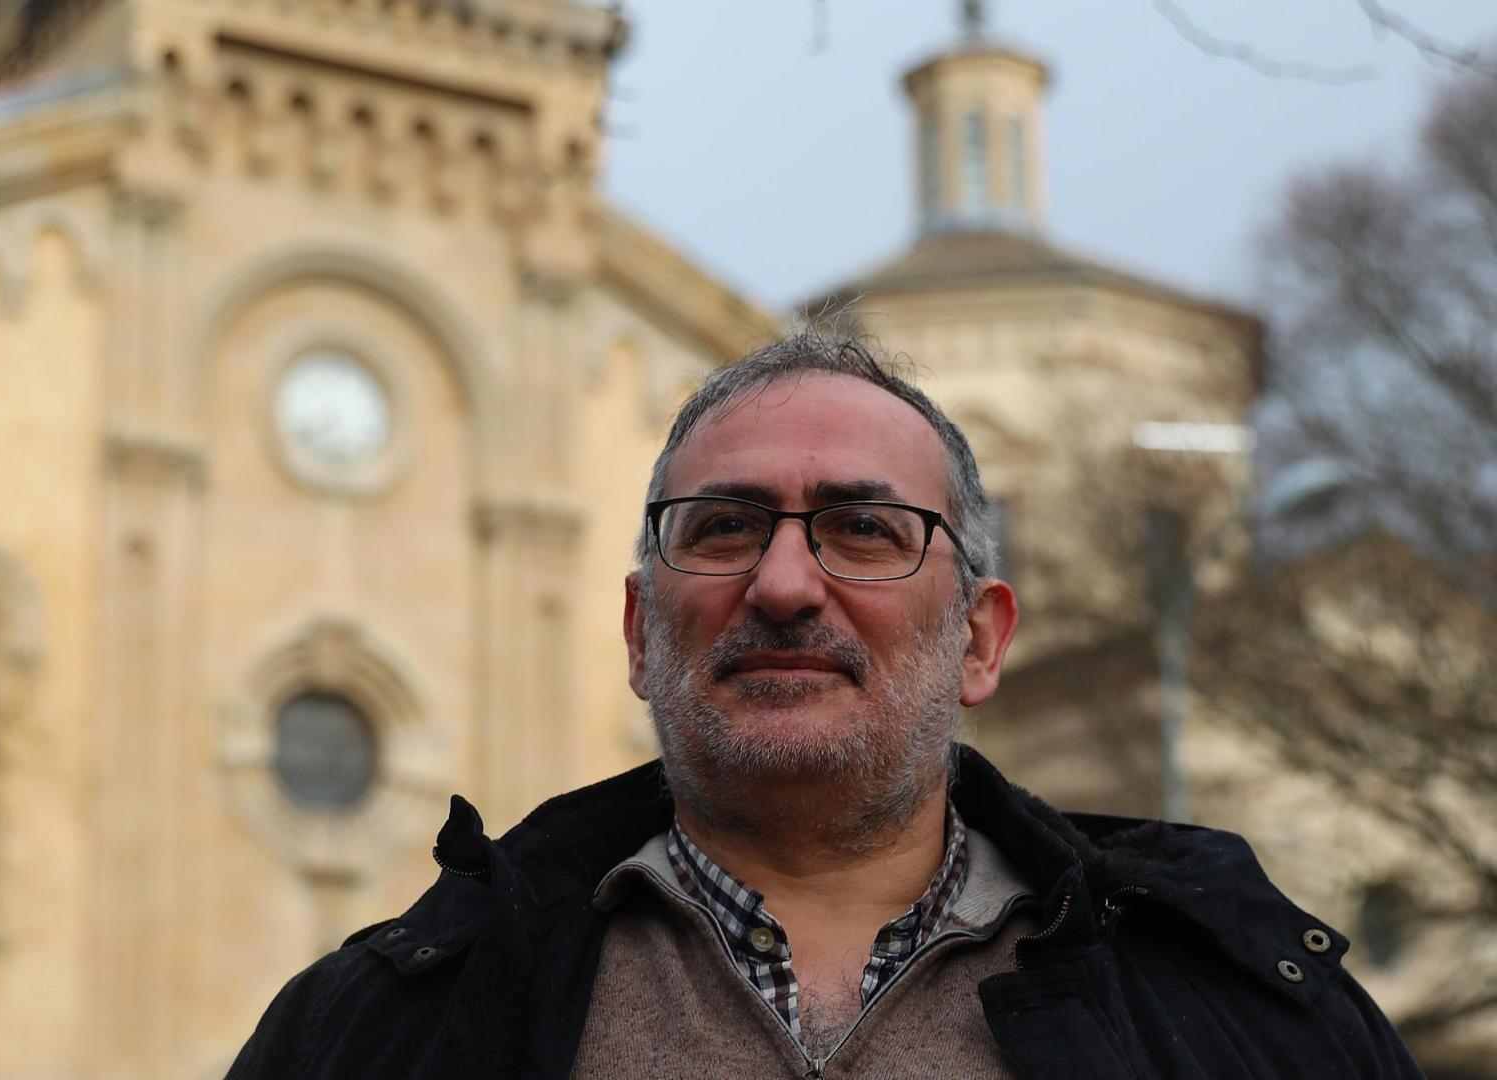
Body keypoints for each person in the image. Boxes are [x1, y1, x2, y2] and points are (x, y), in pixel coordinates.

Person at [228, 331, 1421, 1079]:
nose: (786, 584)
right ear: (642, 635)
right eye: (724, 528)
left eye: (864, 530)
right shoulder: (372, 1030)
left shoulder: (1253, 1022)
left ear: (980, 639)